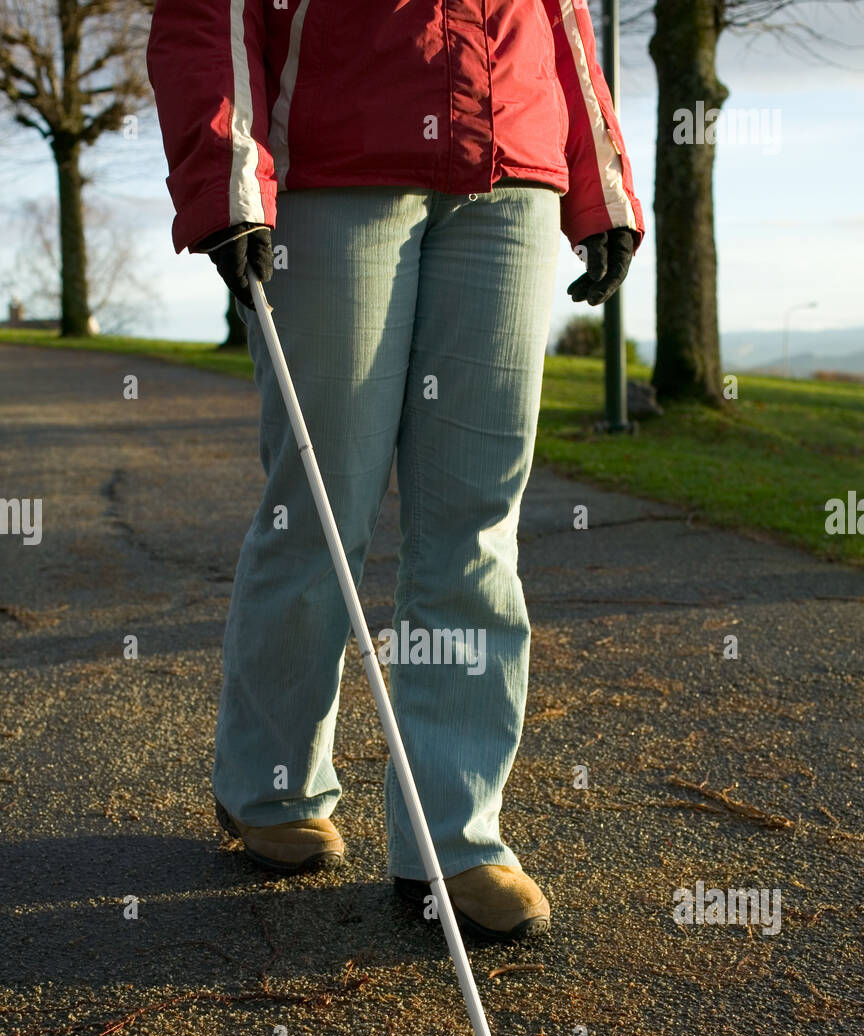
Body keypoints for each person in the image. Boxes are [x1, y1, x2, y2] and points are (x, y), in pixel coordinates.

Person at [147, 0, 644, 941]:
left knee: (476, 522)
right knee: (322, 508)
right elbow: (209, 14)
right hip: (337, 172)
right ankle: (273, 784)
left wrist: (602, 184)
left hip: (513, 177)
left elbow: (568, 19)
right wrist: (224, 180)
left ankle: (455, 841)